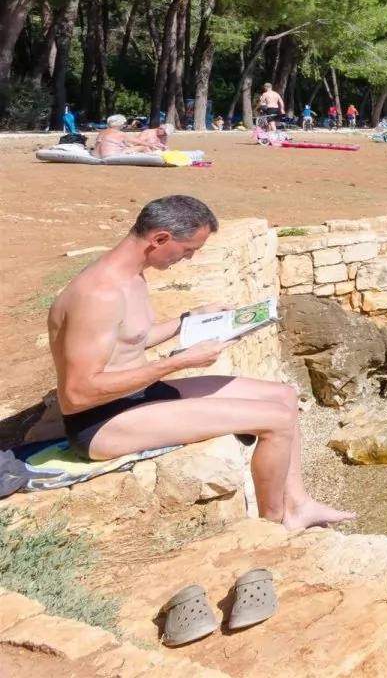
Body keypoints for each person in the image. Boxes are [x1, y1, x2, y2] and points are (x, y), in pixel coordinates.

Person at [47, 195, 354, 531]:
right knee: (276, 421)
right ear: (160, 238)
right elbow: (76, 395)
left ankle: (298, 505)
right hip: (101, 422)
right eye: (188, 249)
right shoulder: (98, 295)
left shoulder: (131, 276)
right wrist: (178, 363)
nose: (189, 258)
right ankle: (274, 526)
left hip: (136, 395)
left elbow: (132, 339)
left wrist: (189, 320)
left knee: (283, 396)